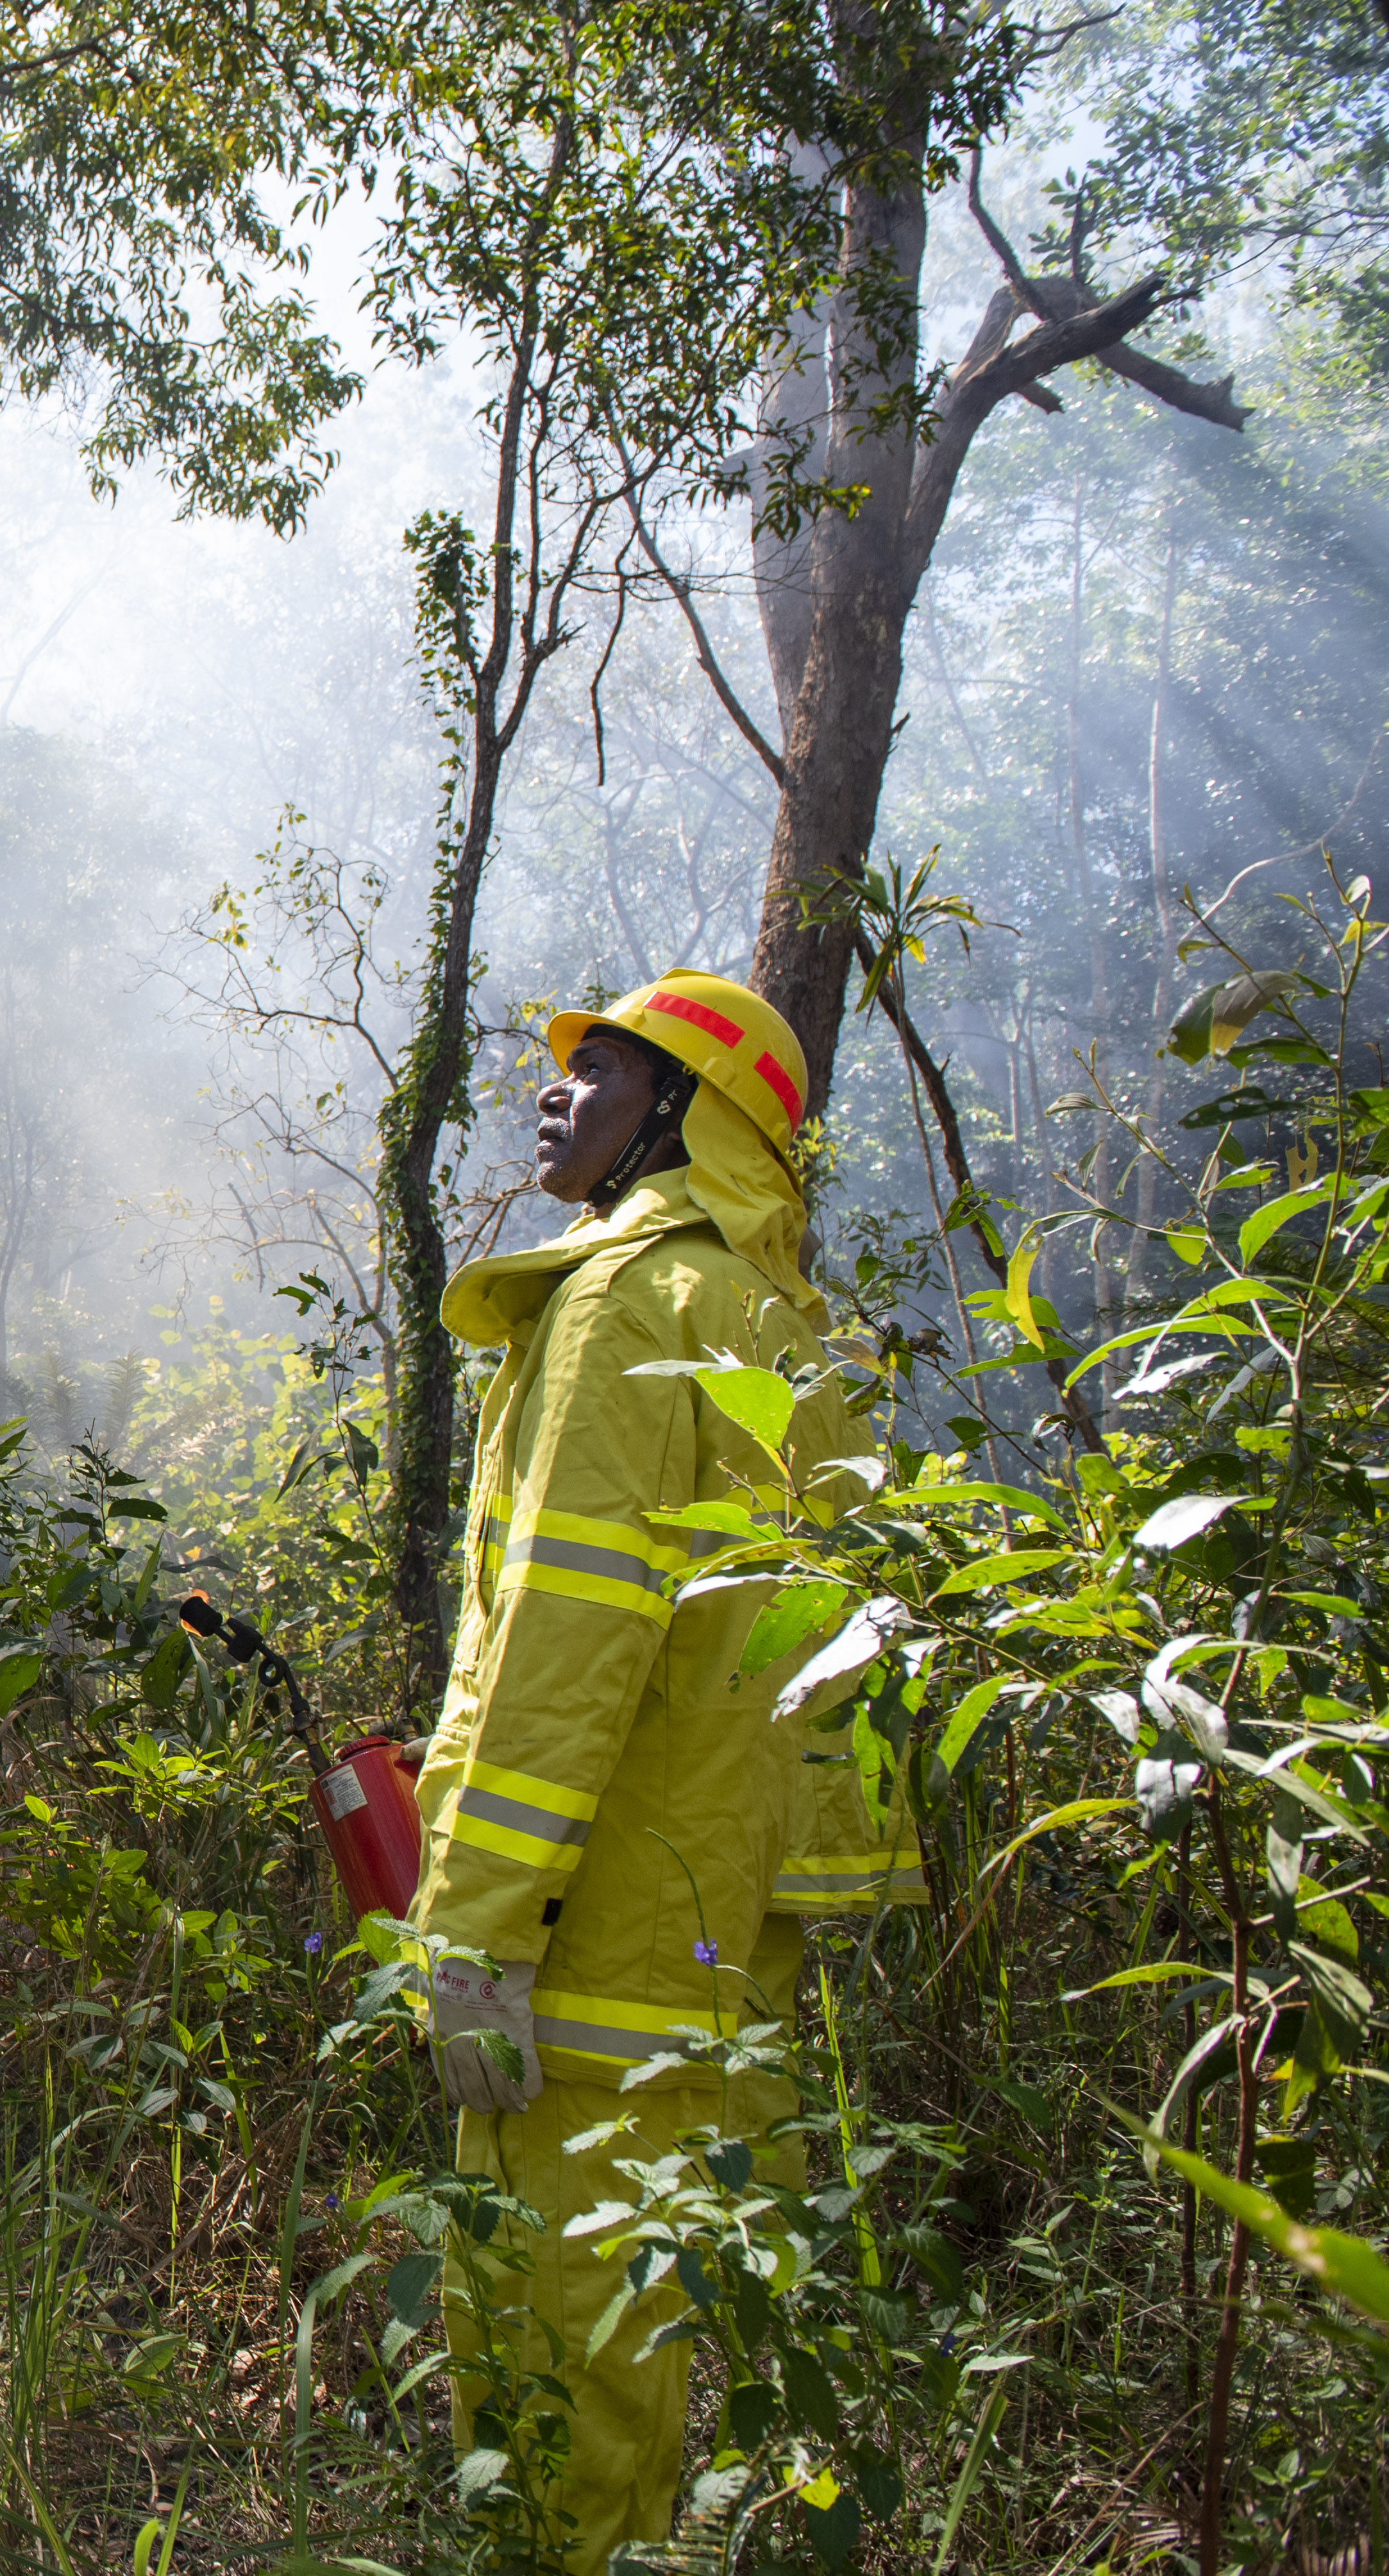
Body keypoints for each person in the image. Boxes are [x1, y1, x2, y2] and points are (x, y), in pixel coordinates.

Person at [403, 969, 917, 2573]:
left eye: (608, 1070)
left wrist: (474, 1921)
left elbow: (565, 1643)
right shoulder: (765, 1317)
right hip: (723, 1921)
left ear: (685, 1118)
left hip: (595, 1921)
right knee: (680, 2313)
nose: (554, 1091)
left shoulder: (622, 1304)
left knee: (551, 2327)